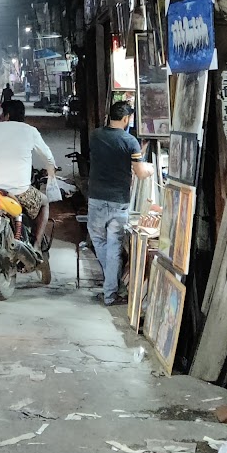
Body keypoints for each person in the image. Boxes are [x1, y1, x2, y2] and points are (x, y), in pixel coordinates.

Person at [0, 100, 57, 289]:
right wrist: (51, 171)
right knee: (44, 203)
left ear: (5, 115)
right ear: (23, 116)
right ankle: (37, 246)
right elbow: (47, 156)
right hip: (20, 191)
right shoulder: (30, 131)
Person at [86, 100, 154, 307]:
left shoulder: (95, 135)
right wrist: (149, 168)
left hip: (96, 198)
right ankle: (110, 293)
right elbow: (140, 173)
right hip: (118, 202)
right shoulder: (130, 141)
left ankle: (110, 289)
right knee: (114, 247)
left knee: (100, 242)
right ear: (126, 119)